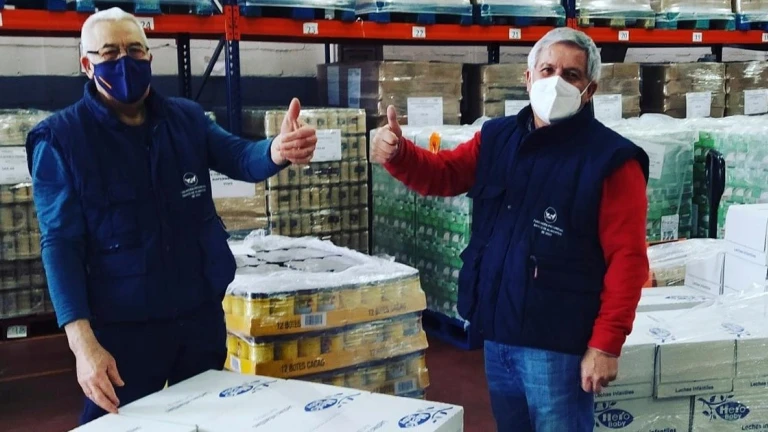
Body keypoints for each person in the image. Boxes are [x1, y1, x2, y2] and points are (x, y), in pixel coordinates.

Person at [25, 7, 317, 425]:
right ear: (87, 65)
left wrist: (276, 149)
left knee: (205, 420)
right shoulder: (61, 140)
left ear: (149, 57)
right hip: (124, 331)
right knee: (114, 423)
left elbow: (239, 156)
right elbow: (60, 245)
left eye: (134, 50)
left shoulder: (186, 118)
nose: (124, 61)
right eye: (109, 53)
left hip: (197, 316)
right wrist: (82, 344)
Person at [371, 27, 650, 431]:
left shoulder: (611, 160)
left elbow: (628, 260)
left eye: (571, 75)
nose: (556, 81)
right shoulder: (497, 138)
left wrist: (606, 344)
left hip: (558, 345)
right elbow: (444, 174)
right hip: (499, 334)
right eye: (548, 70)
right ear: (528, 78)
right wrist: (399, 153)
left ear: (589, 90)